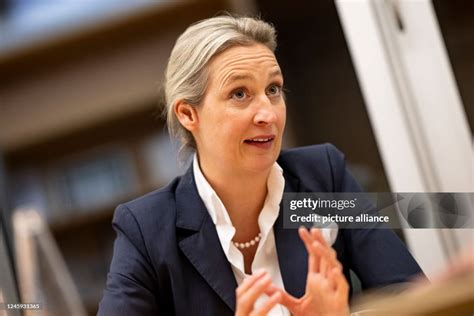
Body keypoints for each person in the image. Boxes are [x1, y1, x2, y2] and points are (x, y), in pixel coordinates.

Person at [98, 15, 422, 316]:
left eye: (273, 89)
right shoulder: (146, 230)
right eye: (239, 93)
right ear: (188, 114)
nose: (268, 114)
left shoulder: (322, 175)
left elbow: (411, 296)